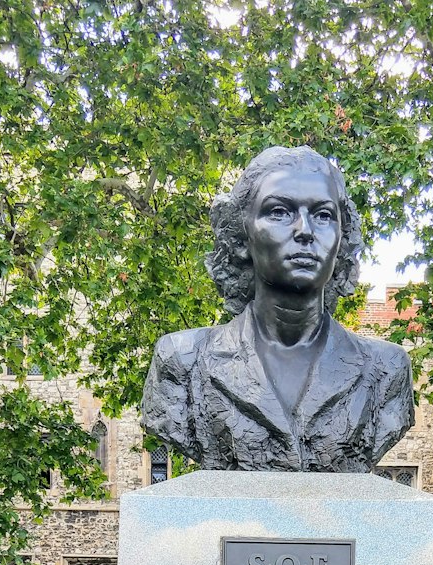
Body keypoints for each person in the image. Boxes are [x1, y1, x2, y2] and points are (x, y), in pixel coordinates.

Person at [141, 146, 414, 472]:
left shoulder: (386, 370)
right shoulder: (181, 361)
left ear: (343, 238)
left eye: (323, 215)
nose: (305, 230)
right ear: (242, 236)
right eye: (279, 212)